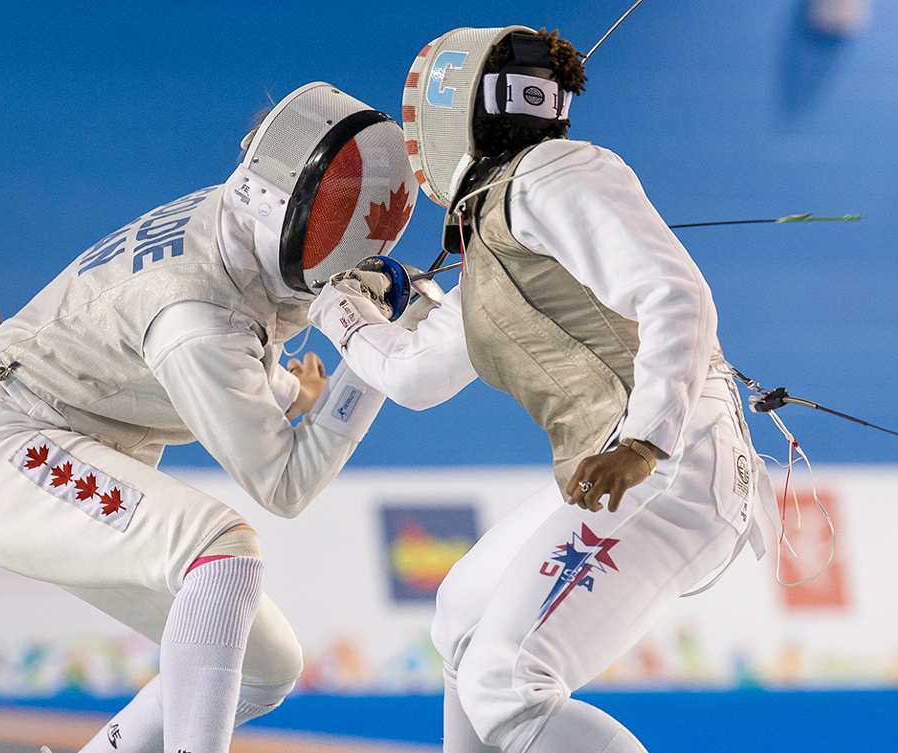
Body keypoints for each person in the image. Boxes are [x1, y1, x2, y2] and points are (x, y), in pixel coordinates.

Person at [0, 82, 418, 753]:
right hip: (4, 450)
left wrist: (297, 390)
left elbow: (236, 337)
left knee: (264, 666)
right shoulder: (195, 316)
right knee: (221, 550)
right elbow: (284, 483)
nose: (348, 259)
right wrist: (377, 354)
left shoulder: (233, 224)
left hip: (56, 433)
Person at [309, 28, 771, 753]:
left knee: (508, 682)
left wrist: (643, 443)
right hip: (634, 464)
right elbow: (415, 375)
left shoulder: (556, 172)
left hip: (670, 463)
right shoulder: (495, 231)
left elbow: (677, 294)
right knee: (464, 615)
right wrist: (341, 310)